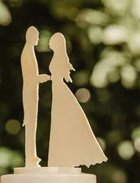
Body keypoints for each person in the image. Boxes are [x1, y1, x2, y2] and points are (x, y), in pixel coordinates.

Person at [48, 32, 107, 168]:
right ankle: (60, 156)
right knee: (60, 122)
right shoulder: (58, 57)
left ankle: (63, 157)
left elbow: (59, 75)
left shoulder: (59, 58)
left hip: (59, 90)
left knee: (62, 121)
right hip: (57, 89)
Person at [21, 27, 50, 167]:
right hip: (29, 92)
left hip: (33, 92)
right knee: (30, 125)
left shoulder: (30, 52)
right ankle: (30, 157)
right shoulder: (26, 53)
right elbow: (28, 78)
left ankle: (32, 155)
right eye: (36, 37)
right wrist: (40, 78)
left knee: (33, 125)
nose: (38, 40)